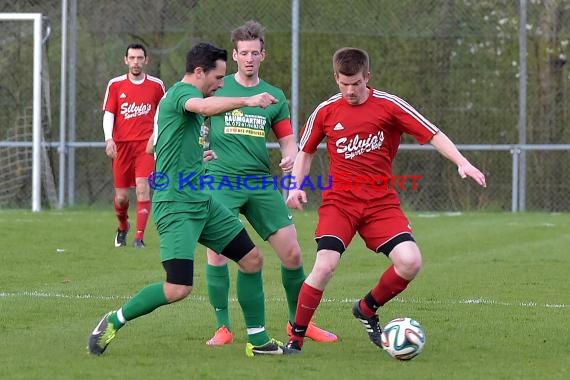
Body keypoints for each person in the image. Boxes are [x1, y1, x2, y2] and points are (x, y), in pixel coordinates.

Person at [88, 42, 297, 357]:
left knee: (252, 260)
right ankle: (114, 320)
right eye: (218, 76)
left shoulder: (194, 98)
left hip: (203, 201)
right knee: (178, 288)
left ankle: (259, 340)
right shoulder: (182, 95)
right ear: (199, 73)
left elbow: (159, 145)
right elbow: (202, 109)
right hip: (175, 206)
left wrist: (197, 156)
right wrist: (248, 100)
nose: (221, 83)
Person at [284, 47, 487, 352]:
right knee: (325, 265)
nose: (350, 91)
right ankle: (295, 340)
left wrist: (462, 161)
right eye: (344, 84)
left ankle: (366, 308)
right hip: (340, 203)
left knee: (410, 262)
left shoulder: (389, 105)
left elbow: (433, 133)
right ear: (336, 78)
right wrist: (295, 186)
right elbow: (306, 152)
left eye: (356, 83)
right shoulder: (326, 110)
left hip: (380, 203)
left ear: (368, 77)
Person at [203, 21, 337, 346]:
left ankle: (298, 325)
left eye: (255, 52)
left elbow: (289, 142)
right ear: (234, 55)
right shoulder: (217, 90)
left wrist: (291, 169)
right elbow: (195, 124)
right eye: (243, 53)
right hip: (220, 180)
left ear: (263, 54)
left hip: (260, 183)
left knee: (292, 254)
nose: (249, 58)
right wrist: (200, 146)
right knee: (218, 254)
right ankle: (223, 327)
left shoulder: (274, 96)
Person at [102, 43, 165, 248]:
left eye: (140, 58)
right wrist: (108, 138)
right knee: (121, 198)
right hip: (122, 147)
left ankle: (139, 237)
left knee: (142, 187)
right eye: (132, 58)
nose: (136, 62)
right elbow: (109, 114)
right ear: (126, 60)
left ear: (146, 60)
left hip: (145, 147)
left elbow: (162, 115)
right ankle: (123, 226)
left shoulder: (156, 86)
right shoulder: (115, 85)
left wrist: (155, 138)